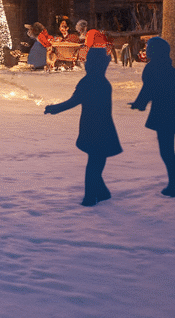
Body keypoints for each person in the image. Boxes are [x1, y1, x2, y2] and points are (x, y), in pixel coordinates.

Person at [44, 48, 123, 205]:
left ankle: (94, 196)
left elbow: (73, 101)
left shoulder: (89, 81)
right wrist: (55, 108)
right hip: (102, 129)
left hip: (93, 128)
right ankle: (98, 194)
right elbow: (75, 101)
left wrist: (55, 108)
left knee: (95, 164)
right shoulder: (101, 82)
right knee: (96, 163)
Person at [130, 37, 175, 197]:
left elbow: (149, 89)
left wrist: (139, 104)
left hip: (164, 113)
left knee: (166, 151)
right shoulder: (170, 68)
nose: (146, 50)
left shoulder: (152, 68)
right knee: (168, 150)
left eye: (148, 47)